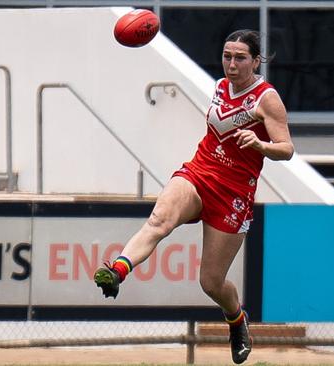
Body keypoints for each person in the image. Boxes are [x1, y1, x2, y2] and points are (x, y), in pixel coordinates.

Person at [93, 29, 294, 365]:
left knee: (211, 282)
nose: (231, 64)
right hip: (200, 171)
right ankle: (117, 269)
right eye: (227, 56)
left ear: (256, 61)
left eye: (240, 58)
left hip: (233, 192)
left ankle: (237, 320)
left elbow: (286, 149)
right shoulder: (219, 86)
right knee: (159, 220)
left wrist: (261, 145)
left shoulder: (266, 98)